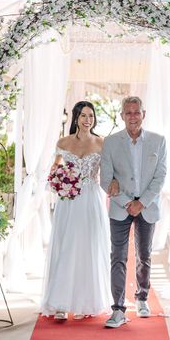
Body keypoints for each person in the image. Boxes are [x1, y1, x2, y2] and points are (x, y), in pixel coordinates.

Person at [100, 96, 167, 328]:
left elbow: (160, 177)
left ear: (143, 114)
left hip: (147, 207)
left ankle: (142, 297)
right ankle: (118, 309)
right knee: (117, 257)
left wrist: (143, 202)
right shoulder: (110, 142)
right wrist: (128, 202)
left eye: (136, 112)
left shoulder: (159, 141)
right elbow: (105, 179)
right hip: (121, 207)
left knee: (144, 255)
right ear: (121, 116)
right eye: (127, 113)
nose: (132, 117)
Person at [41, 101, 112, 320]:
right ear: (76, 118)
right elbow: (54, 169)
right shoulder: (63, 142)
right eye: (83, 116)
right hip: (68, 201)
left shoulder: (102, 143)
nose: (87, 120)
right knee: (66, 246)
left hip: (91, 199)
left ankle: (84, 302)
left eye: (91, 116)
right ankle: (60, 303)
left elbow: (109, 172)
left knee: (87, 248)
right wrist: (59, 181)